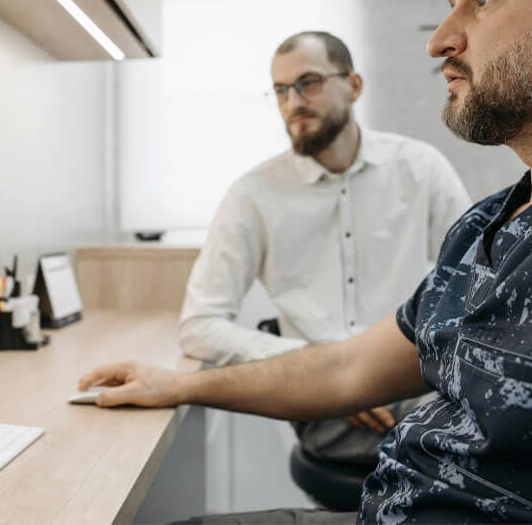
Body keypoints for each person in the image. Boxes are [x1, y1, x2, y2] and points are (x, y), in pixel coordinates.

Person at [79, 0, 532, 523]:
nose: (439, 41)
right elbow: (345, 369)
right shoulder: (487, 225)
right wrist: (179, 384)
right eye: (280, 90)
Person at [178, 30, 471, 464]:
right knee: (459, 452)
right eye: (280, 90)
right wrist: (323, 368)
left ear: (353, 86)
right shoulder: (252, 194)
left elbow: (475, 285)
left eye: (308, 83)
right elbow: (199, 324)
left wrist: (390, 370)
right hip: (322, 403)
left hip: (416, 382)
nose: (293, 102)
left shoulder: (419, 168)